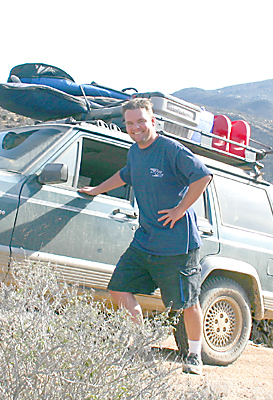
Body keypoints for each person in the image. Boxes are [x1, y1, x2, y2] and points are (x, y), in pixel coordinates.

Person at [78, 98, 212, 375]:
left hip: (177, 244)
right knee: (118, 286)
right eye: (130, 123)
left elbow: (202, 177)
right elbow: (126, 175)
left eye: (141, 121)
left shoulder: (171, 150)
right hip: (145, 239)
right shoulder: (134, 152)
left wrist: (179, 210)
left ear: (153, 121)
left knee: (186, 303)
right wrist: (96, 190)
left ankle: (195, 356)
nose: (136, 127)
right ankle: (140, 343)